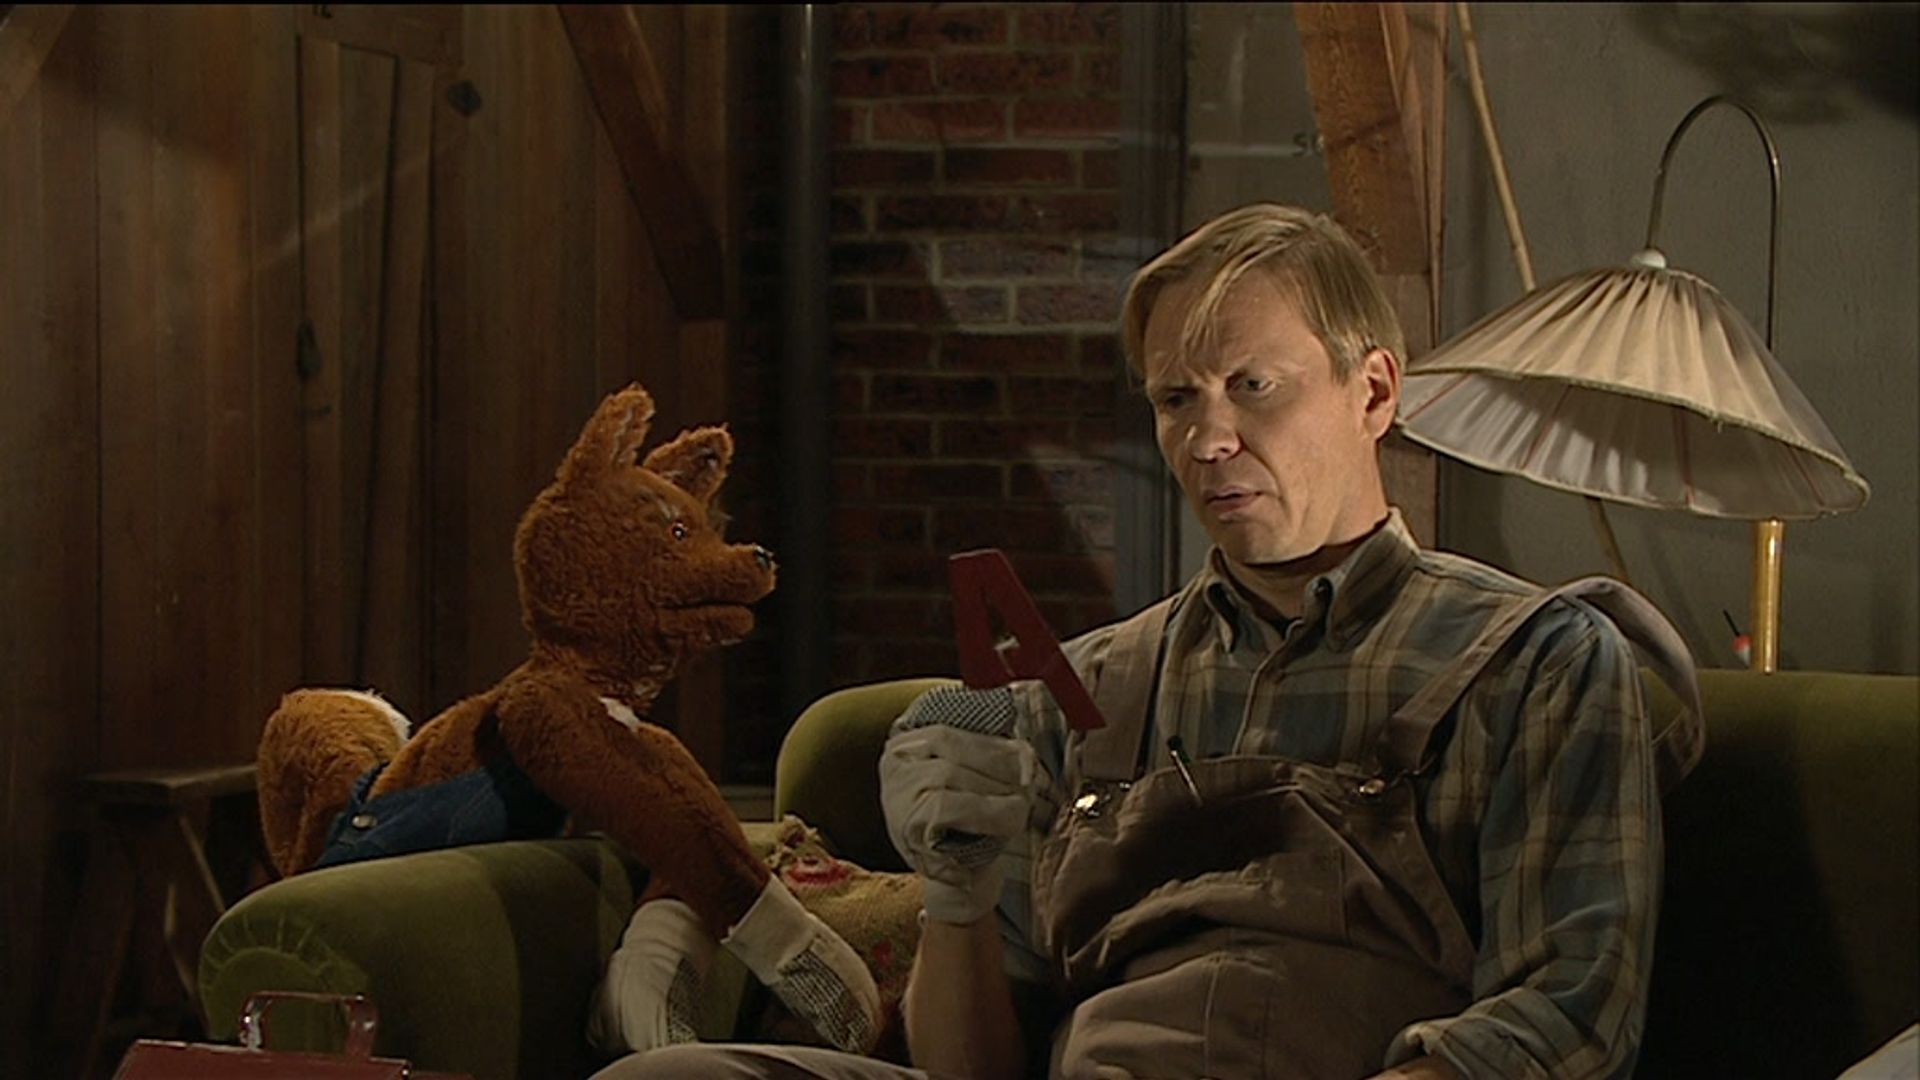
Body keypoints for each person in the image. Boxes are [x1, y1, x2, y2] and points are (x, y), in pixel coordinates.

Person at [596, 203, 1703, 1079]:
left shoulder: (1535, 661)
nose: (1208, 438)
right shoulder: (1082, 690)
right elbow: (970, 1067)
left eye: (1252, 387)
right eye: (1176, 398)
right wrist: (956, 889)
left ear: (1373, 392)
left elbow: (1570, 1013)